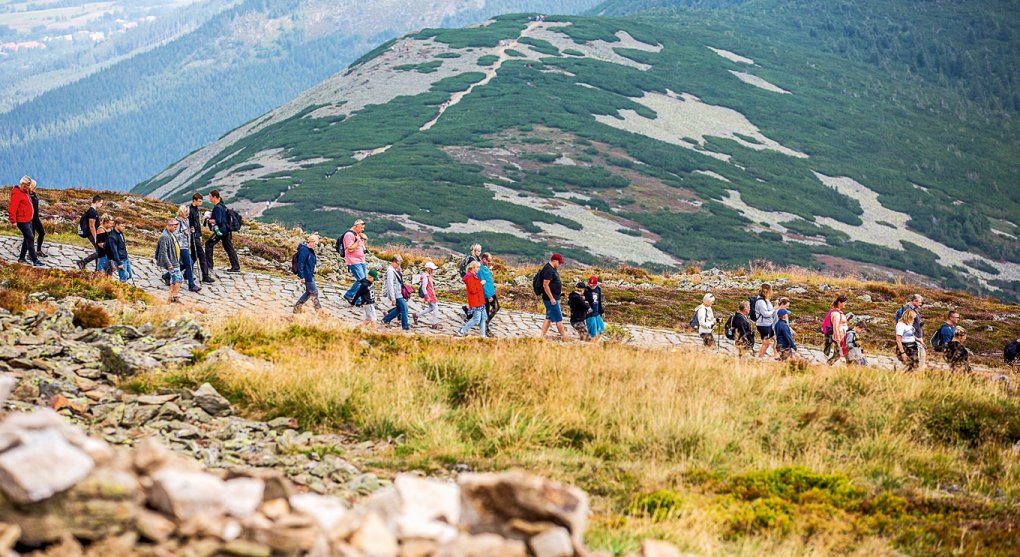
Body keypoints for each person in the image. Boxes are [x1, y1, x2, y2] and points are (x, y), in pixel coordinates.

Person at [204, 190, 240, 274]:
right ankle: (236, 266)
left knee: (208, 244)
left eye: (210, 196)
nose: (209, 198)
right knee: (229, 248)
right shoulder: (222, 206)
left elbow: (219, 221)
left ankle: (209, 265)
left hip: (221, 230)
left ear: (214, 197)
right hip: (227, 230)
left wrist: (211, 221)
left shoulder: (217, 207)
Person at [7, 176, 41, 266]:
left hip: (28, 219)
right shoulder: (17, 193)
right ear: (21, 184)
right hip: (22, 220)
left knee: (27, 238)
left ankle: (21, 258)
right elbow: (12, 208)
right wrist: (13, 221)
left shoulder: (25, 192)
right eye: (26, 185)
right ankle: (35, 260)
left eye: (29, 185)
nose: (28, 187)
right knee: (30, 238)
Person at [538, 253, 568, 340]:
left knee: (549, 317)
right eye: (559, 262)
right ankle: (564, 336)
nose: (559, 264)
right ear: (554, 260)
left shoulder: (552, 269)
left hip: (555, 297)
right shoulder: (548, 270)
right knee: (559, 318)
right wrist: (551, 298)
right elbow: (545, 285)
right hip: (551, 299)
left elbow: (553, 283)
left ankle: (541, 336)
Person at [156, 218, 184, 304]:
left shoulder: (170, 234)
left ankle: (171, 297)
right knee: (179, 279)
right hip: (172, 262)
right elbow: (163, 252)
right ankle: (174, 296)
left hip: (175, 261)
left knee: (174, 280)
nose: (175, 229)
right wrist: (168, 264)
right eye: (175, 227)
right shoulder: (165, 236)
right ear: (170, 225)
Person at [457, 261, 488, 338]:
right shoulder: (470, 277)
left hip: (480, 300)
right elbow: (473, 290)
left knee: (483, 318)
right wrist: (481, 284)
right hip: (476, 301)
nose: (478, 269)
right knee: (476, 319)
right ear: (473, 268)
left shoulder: (473, 275)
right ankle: (462, 330)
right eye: (477, 267)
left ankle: (482, 335)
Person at [341, 219, 368, 304]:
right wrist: (358, 240)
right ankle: (349, 295)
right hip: (354, 261)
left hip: (361, 260)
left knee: (364, 281)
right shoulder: (349, 235)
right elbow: (350, 248)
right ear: (356, 226)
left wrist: (364, 240)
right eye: (361, 227)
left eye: (363, 228)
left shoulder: (357, 234)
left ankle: (358, 299)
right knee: (361, 281)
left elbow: (361, 247)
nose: (362, 229)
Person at [293, 234, 322, 314]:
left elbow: (310, 260)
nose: (316, 246)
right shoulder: (304, 250)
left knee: (309, 292)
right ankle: (319, 311)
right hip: (306, 275)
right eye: (315, 244)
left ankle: (297, 307)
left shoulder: (310, 250)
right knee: (314, 291)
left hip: (309, 273)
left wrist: (314, 267)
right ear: (311, 242)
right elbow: (300, 263)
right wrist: (301, 276)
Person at [189, 193, 214, 283]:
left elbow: (198, 224)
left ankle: (185, 273)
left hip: (197, 235)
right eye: (199, 201)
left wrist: (200, 235)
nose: (201, 203)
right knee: (201, 256)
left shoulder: (196, 209)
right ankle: (205, 276)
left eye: (201, 201)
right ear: (194, 200)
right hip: (193, 236)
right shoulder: (190, 210)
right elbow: (190, 224)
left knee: (193, 256)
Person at [175, 207, 200, 293]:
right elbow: (174, 235)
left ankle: (166, 276)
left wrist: (190, 231)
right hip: (180, 246)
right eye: (186, 212)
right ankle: (191, 285)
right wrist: (183, 233)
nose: (188, 214)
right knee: (189, 263)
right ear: (181, 212)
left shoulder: (186, 220)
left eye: (188, 212)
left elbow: (187, 231)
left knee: (189, 263)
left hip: (185, 245)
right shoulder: (177, 222)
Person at [75, 195, 103, 271]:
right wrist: (95, 238)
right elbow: (91, 226)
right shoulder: (92, 212)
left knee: (99, 251)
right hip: (92, 234)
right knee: (100, 251)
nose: (101, 205)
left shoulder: (92, 211)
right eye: (101, 203)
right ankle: (83, 262)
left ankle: (97, 269)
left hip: (94, 234)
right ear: (96, 202)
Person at [381, 255, 409, 330]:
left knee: (399, 309)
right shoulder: (390, 271)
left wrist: (399, 271)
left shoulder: (394, 270)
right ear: (394, 262)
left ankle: (386, 319)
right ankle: (405, 326)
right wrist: (393, 298)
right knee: (404, 309)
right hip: (396, 294)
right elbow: (390, 284)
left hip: (398, 292)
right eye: (398, 263)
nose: (399, 265)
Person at [898, 294, 925, 369]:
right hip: (911, 339)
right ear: (915, 301)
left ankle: (912, 375)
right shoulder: (908, 309)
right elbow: (904, 325)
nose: (921, 304)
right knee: (917, 360)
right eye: (920, 302)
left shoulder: (914, 309)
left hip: (916, 337)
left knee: (918, 360)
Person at [413, 261, 442, 330]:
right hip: (430, 295)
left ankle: (416, 315)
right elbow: (424, 287)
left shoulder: (427, 276)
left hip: (430, 295)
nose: (433, 270)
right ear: (429, 269)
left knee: (431, 308)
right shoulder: (426, 277)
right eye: (432, 269)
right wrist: (427, 297)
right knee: (436, 308)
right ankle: (434, 324)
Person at [459, 243, 483, 318]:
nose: (480, 252)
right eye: (478, 251)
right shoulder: (472, 259)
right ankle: (470, 314)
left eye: (480, 251)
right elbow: (475, 270)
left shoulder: (475, 258)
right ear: (475, 251)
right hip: (472, 280)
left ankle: (470, 312)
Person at [754, 284, 777, 358]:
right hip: (763, 325)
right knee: (766, 343)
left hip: (768, 324)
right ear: (767, 291)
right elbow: (765, 314)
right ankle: (760, 357)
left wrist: (774, 308)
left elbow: (769, 310)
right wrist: (774, 309)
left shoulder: (766, 299)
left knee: (776, 339)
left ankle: (776, 355)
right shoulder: (760, 301)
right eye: (771, 291)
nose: (772, 292)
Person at [827, 295, 849, 365]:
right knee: (839, 354)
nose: (845, 304)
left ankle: (827, 365)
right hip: (839, 337)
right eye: (844, 302)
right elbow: (835, 327)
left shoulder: (838, 312)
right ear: (839, 302)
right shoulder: (836, 314)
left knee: (839, 354)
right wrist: (838, 340)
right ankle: (827, 365)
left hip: (842, 337)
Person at [26, 178, 45, 257]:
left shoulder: (33, 194)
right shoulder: (28, 196)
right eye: (35, 187)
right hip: (31, 219)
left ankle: (38, 250)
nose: (36, 188)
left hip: (36, 219)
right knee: (31, 237)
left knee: (42, 233)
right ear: (32, 186)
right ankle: (30, 254)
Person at [584, 276, 605, 343]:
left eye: (593, 285)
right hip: (589, 314)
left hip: (597, 313)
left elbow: (599, 301)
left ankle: (597, 343)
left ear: (596, 284)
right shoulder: (586, 290)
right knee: (593, 332)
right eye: (590, 284)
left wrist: (602, 311)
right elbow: (584, 302)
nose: (591, 285)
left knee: (601, 329)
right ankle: (592, 343)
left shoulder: (598, 289)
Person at [479, 253, 499, 322]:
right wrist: (488, 296)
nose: (489, 262)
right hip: (487, 294)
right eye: (488, 260)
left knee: (496, 307)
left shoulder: (485, 267)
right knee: (487, 311)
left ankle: (485, 322)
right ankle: (485, 326)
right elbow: (482, 283)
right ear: (484, 259)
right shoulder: (480, 269)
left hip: (491, 292)